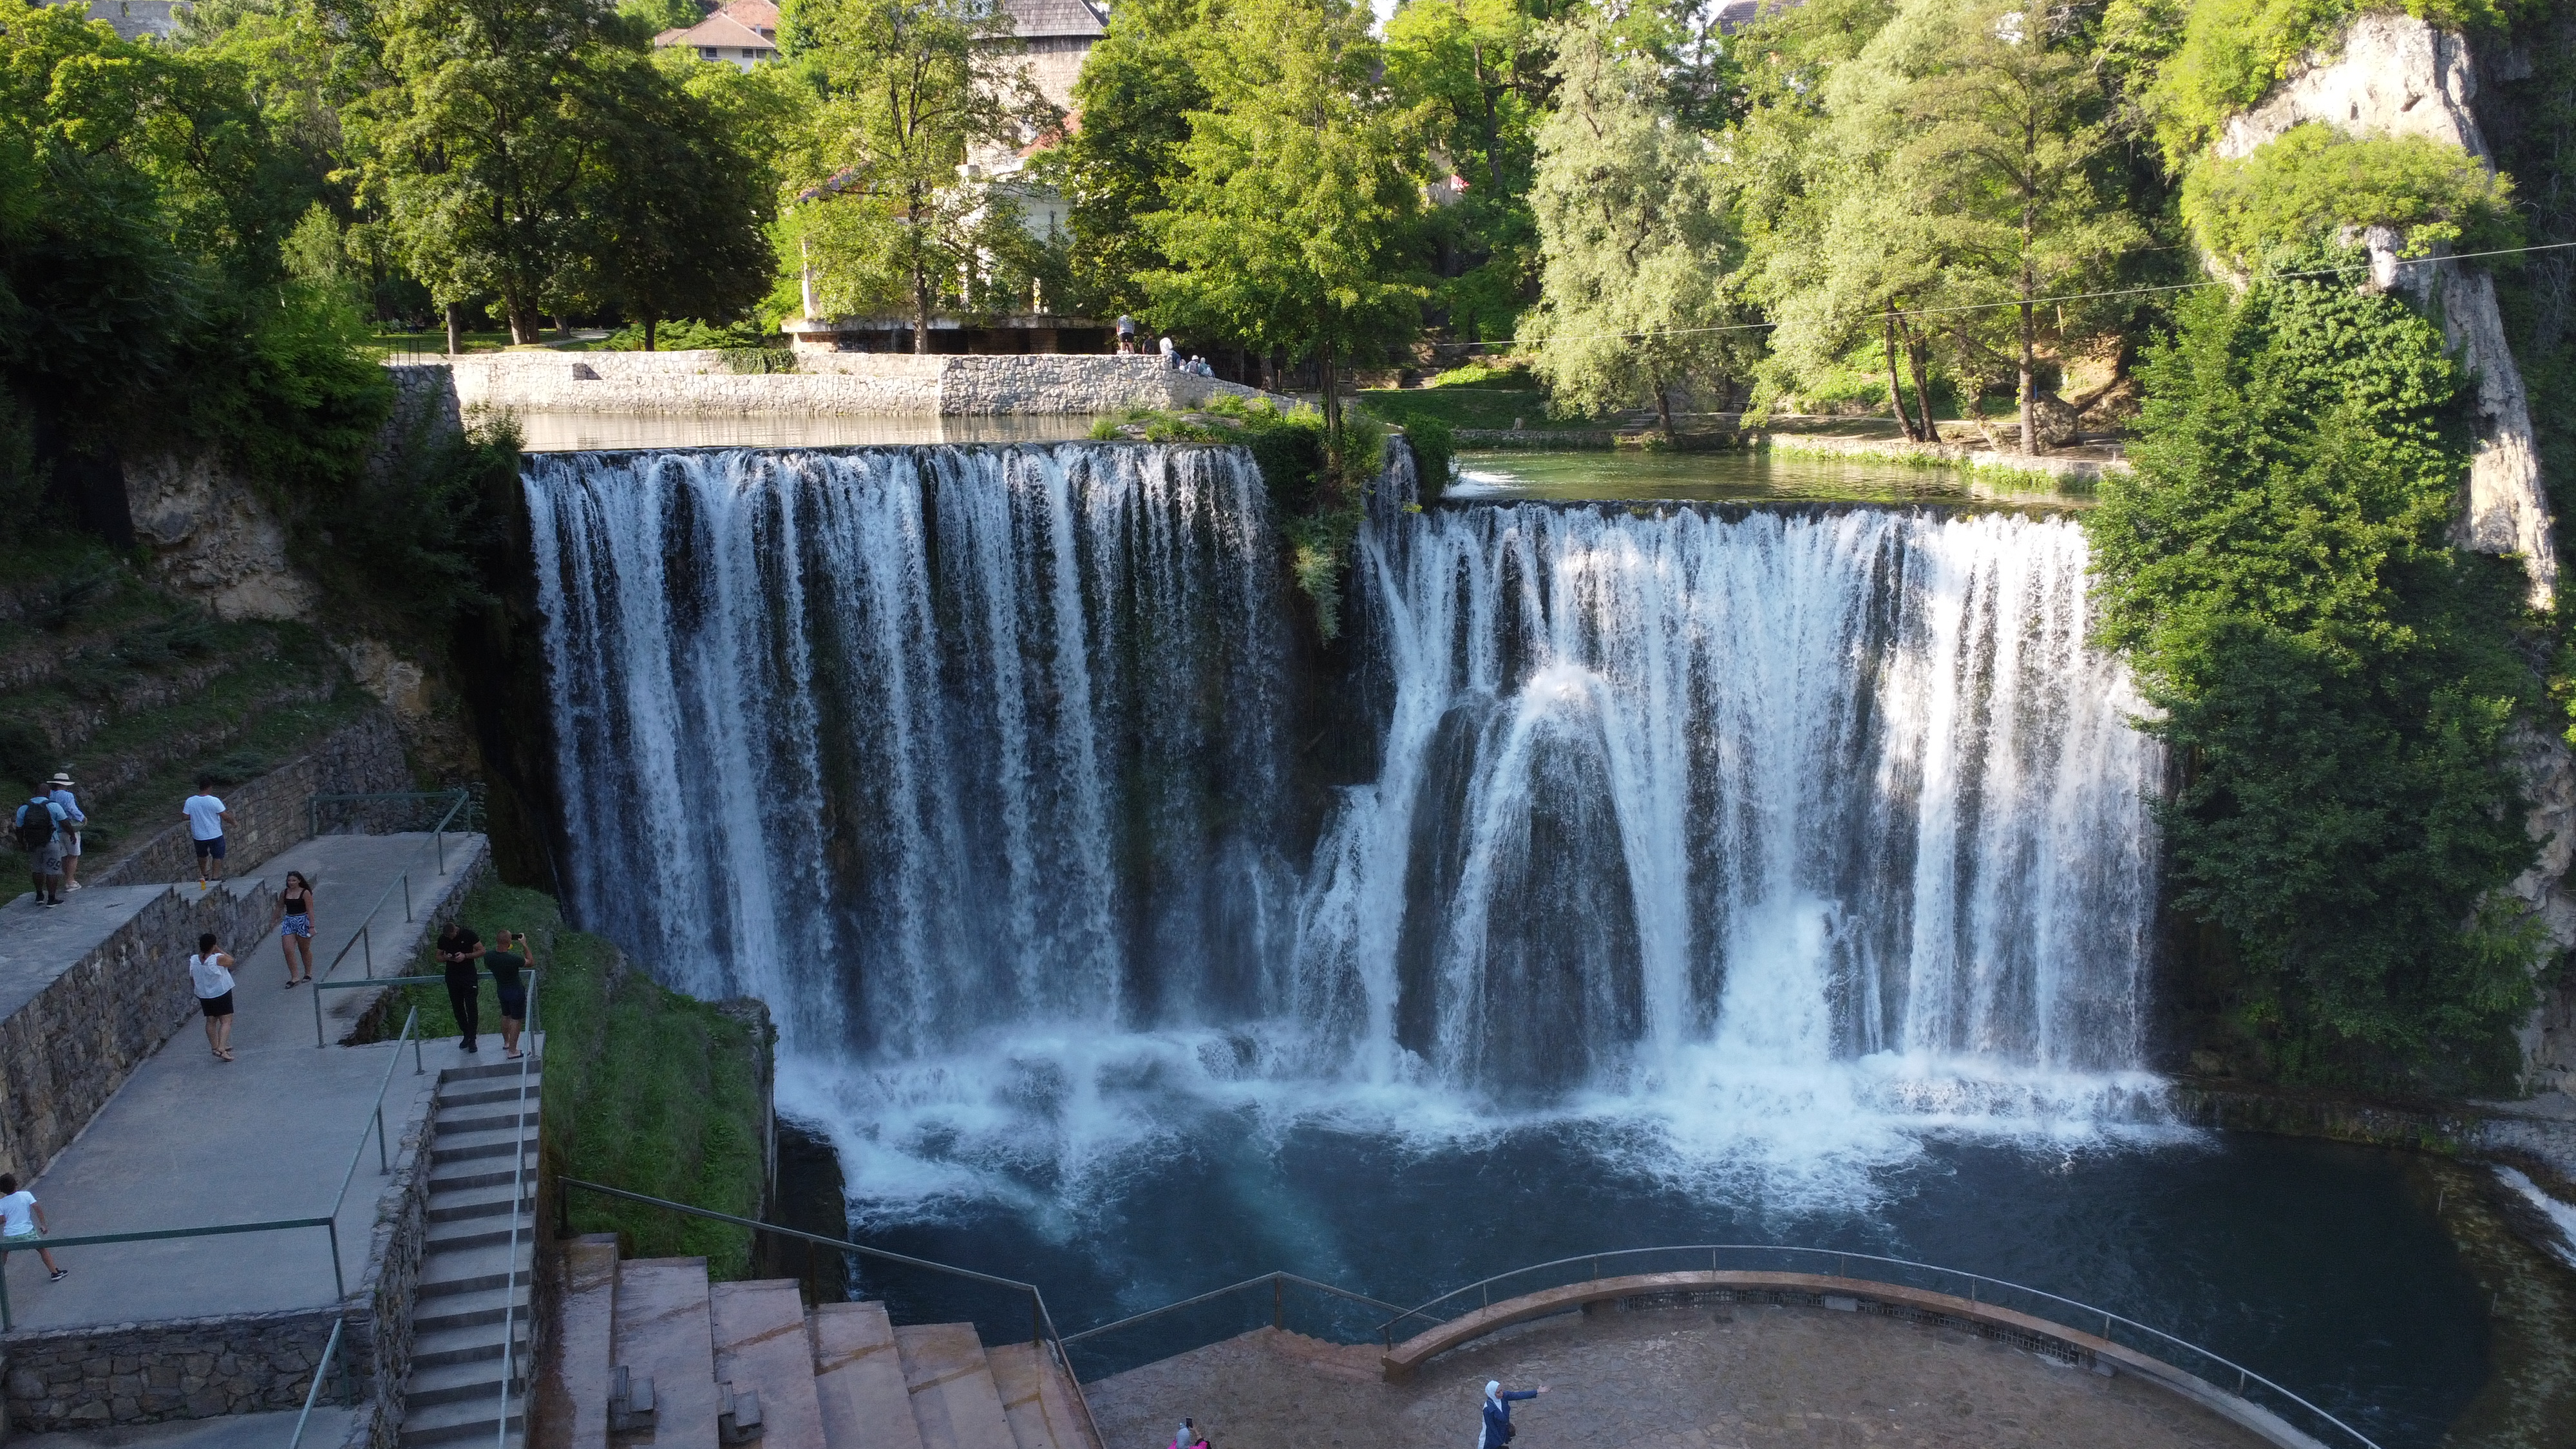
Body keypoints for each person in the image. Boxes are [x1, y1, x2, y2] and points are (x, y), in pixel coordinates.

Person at [0, 1175, 67, 1282]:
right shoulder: (26, 1195)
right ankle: (55, 1272)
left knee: (4, 1253)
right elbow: (37, 1208)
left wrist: (7, 1218)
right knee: (42, 1249)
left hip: (10, 1235)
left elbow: (1, 1219)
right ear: (16, 1184)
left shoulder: (1, 1203)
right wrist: (43, 1225)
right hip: (27, 1232)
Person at [486, 929, 533, 1059]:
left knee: (506, 1015)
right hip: (515, 991)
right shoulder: (513, 959)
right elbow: (530, 962)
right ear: (509, 942)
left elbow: (489, 964)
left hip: (501, 990)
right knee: (516, 1020)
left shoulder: (489, 956)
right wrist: (524, 944)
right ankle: (513, 1051)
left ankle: (507, 1043)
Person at [437, 924, 485, 1052]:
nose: (450, 938)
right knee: (457, 1007)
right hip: (452, 976)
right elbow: (438, 957)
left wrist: (465, 956)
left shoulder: (468, 934)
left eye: (452, 936)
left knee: (471, 1006)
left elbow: (482, 951)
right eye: (448, 937)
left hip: (468, 975)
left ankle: (473, 1038)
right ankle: (466, 1034)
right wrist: (446, 958)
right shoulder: (443, 939)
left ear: (456, 931)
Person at [15, 787, 65, 908]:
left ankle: (39, 896)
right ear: (48, 793)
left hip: (33, 844)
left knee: (37, 869)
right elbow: (65, 822)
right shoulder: (53, 806)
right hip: (51, 842)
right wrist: (73, 835)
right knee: (52, 871)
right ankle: (52, 899)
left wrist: (22, 843)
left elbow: (19, 828)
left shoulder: (24, 808)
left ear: (35, 793)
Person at [189, 933, 237, 1061]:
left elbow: (193, 978)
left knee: (211, 1020)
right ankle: (222, 1049)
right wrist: (219, 949)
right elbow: (231, 961)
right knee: (226, 1021)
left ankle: (215, 1047)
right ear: (213, 945)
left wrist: (199, 991)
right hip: (221, 993)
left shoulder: (194, 960)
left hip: (204, 995)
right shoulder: (217, 959)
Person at [182, 778, 232, 888]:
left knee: (202, 855)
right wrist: (234, 822)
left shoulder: (190, 801)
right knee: (217, 855)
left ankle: (204, 874)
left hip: (199, 836)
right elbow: (225, 816)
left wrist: (196, 816)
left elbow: (185, 816)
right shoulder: (214, 801)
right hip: (215, 834)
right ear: (210, 788)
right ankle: (215, 877)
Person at [274, 870, 317, 988]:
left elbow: (310, 910)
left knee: (304, 949)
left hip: (302, 921)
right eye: (289, 881)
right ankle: (295, 977)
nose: (291, 883)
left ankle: (308, 973)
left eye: (294, 880)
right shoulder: (285, 893)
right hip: (289, 921)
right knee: (288, 950)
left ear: (299, 881)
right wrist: (274, 920)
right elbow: (279, 907)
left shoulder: (305, 893)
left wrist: (312, 926)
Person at [1480, 1381, 1548, 1449]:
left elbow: (1518, 1395)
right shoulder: (1488, 1409)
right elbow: (1491, 1429)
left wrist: (1537, 1391)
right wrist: (1500, 1441)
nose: (1501, 1393)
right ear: (1492, 1394)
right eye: (1498, 1392)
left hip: (1502, 1430)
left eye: (1502, 1390)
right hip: (1491, 1438)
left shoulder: (1503, 1397)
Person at [46, 772, 84, 891]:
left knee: (63, 856)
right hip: (69, 828)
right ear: (65, 784)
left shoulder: (49, 795)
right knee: (73, 855)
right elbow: (72, 809)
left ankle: (65, 879)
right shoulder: (68, 796)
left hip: (55, 830)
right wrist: (82, 818)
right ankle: (70, 881)